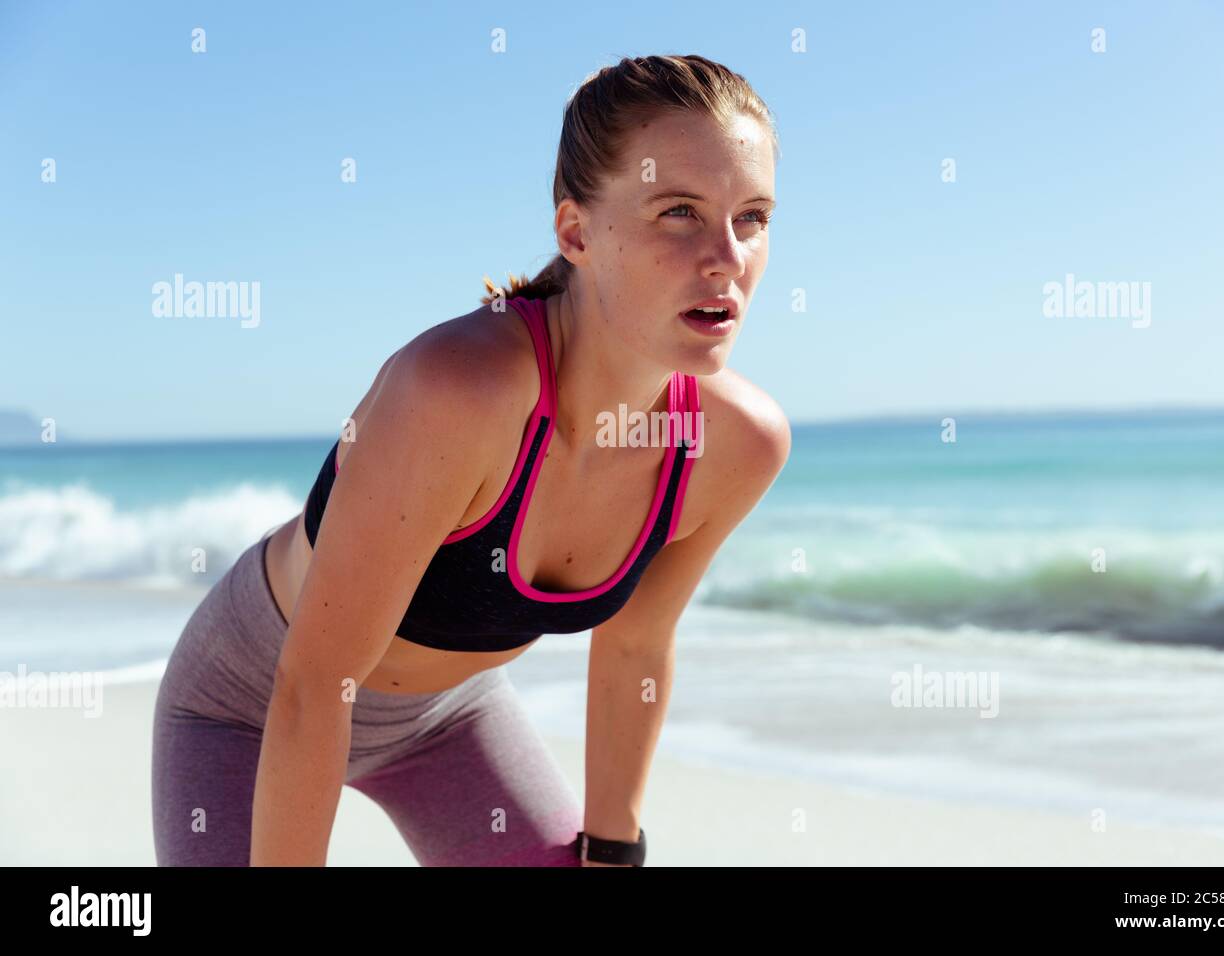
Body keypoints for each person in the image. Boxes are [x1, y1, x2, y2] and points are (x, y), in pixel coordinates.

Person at [151, 53, 790, 867]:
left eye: (754, 217)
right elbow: (315, 686)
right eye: (678, 212)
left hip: (449, 717)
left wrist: (613, 849)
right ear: (575, 231)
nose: (728, 257)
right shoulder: (460, 389)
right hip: (251, 701)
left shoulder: (735, 443)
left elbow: (635, 644)